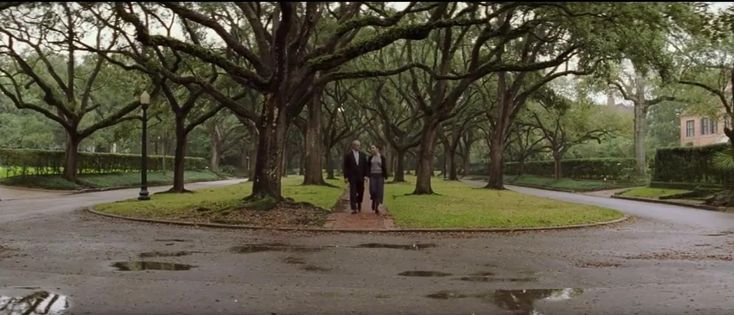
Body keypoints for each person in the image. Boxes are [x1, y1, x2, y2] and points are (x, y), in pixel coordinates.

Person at [342, 140, 369, 214]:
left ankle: (359, 202)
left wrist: (366, 175)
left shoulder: (363, 155)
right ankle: (353, 208)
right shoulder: (348, 155)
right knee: (353, 192)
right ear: (353, 146)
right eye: (356, 145)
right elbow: (345, 167)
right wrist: (346, 177)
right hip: (352, 176)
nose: (358, 147)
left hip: (361, 176)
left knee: (361, 191)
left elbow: (366, 166)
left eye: (359, 145)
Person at [368, 144, 388, 214]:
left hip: (380, 176)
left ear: (377, 149)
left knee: (379, 191)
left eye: (373, 148)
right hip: (372, 175)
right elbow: (368, 167)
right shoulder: (370, 157)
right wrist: (367, 175)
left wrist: (385, 176)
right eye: (371, 148)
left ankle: (376, 207)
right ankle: (373, 199)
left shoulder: (382, 157)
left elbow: (384, 167)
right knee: (372, 190)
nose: (372, 149)